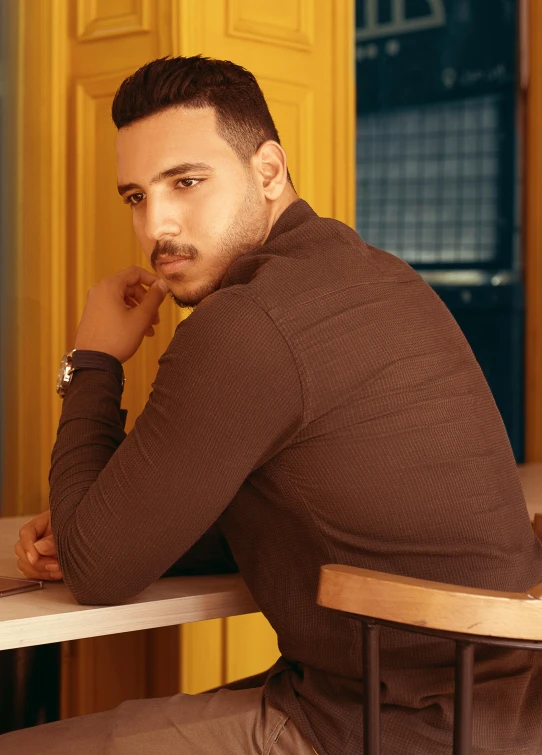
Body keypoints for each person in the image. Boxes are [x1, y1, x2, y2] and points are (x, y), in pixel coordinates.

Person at [3, 55, 542, 755]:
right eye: (135, 196)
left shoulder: (246, 324)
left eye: (186, 182)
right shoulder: (382, 276)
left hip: (389, 728)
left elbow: (96, 571)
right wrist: (113, 517)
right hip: (500, 714)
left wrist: (94, 359)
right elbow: (302, 506)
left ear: (267, 169)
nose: (156, 224)